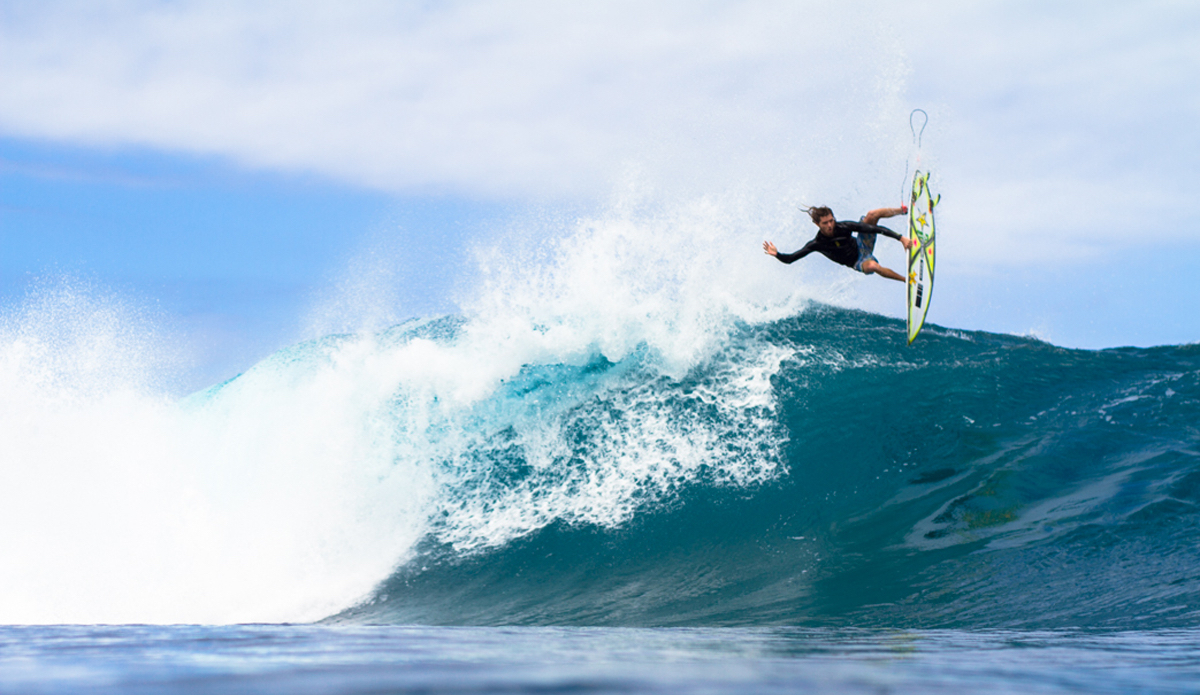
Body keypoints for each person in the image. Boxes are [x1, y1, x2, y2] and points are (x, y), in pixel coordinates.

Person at [763, 205, 914, 281]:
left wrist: (901, 238)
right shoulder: (816, 244)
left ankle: (903, 210)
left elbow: (874, 229)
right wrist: (777, 254)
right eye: (825, 223)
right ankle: (907, 281)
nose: (830, 225)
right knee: (873, 266)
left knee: (872, 215)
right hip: (858, 261)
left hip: (863, 244)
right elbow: (790, 259)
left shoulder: (843, 226)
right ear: (817, 224)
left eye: (831, 221)